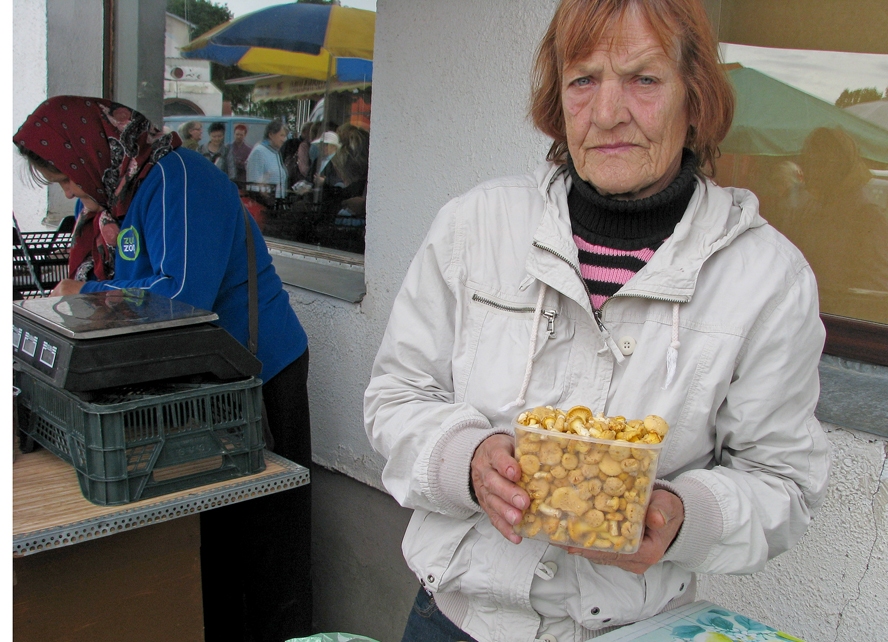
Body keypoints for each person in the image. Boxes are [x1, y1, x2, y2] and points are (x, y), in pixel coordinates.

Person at [363, 2, 831, 641]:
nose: (608, 113)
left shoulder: (766, 278)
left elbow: (783, 483)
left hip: (631, 627)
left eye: (644, 79)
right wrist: (467, 460)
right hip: (457, 619)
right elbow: (397, 396)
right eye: (583, 79)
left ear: (694, 100)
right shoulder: (477, 227)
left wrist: (681, 518)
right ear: (559, 100)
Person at [14, 96, 314, 641]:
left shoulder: (178, 180)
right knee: (212, 533)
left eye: (66, 177)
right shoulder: (118, 200)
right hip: (199, 379)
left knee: (269, 538)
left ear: (91, 151)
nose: (68, 191)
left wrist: (89, 291)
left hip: (257, 373)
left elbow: (180, 295)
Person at [246, 119, 290, 203]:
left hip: (278, 205)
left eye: (285, 136)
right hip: (264, 205)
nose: (284, 139)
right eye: (282, 135)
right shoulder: (259, 152)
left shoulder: (276, 153)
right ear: (271, 135)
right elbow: (253, 184)